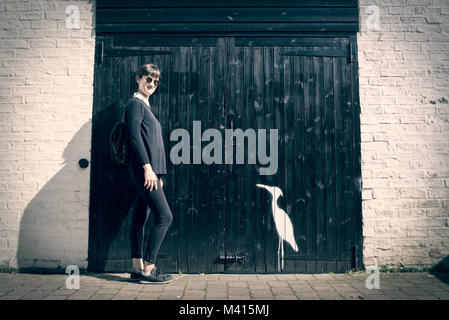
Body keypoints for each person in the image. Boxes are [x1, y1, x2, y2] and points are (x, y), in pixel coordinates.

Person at [125, 63, 173, 283]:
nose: (152, 83)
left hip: (149, 173)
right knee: (164, 217)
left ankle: (136, 268)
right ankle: (149, 270)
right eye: (148, 78)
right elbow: (134, 138)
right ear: (138, 78)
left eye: (155, 81)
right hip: (144, 171)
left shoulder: (144, 106)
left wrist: (157, 173)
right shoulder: (135, 105)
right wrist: (148, 169)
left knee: (138, 220)